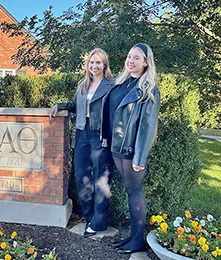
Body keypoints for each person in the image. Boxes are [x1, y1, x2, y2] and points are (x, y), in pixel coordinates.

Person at [50, 48, 114, 237]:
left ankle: (99, 222)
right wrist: (59, 105)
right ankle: (89, 217)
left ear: (105, 65)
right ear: (87, 65)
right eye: (91, 62)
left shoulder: (111, 85)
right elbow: (76, 106)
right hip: (81, 134)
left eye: (98, 62)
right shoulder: (83, 84)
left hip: (100, 134)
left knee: (101, 179)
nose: (94, 66)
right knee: (82, 177)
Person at [106, 43, 160, 253]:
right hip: (116, 148)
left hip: (131, 151)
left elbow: (147, 128)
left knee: (135, 192)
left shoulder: (148, 90)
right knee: (129, 191)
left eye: (137, 58)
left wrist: (140, 157)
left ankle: (138, 241)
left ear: (146, 63)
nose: (131, 60)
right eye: (129, 56)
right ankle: (132, 237)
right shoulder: (121, 84)